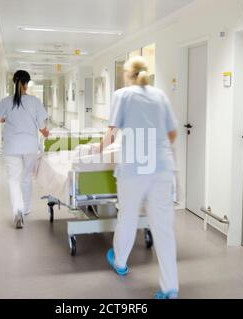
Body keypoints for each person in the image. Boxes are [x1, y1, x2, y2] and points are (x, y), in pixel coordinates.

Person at [97, 57, 179, 299]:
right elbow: (172, 133)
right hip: (162, 167)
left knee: (128, 217)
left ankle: (120, 261)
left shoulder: (122, 95)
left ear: (128, 74)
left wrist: (97, 150)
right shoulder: (160, 96)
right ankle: (170, 287)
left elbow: (111, 133)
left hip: (133, 170)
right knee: (164, 228)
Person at [0, 70, 50, 229]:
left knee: (13, 179)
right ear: (26, 84)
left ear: (14, 83)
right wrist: (46, 132)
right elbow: (42, 126)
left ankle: (17, 210)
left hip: (12, 146)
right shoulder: (34, 101)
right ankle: (26, 209)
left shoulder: (6, 101)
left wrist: (5, 118)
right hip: (30, 146)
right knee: (26, 178)